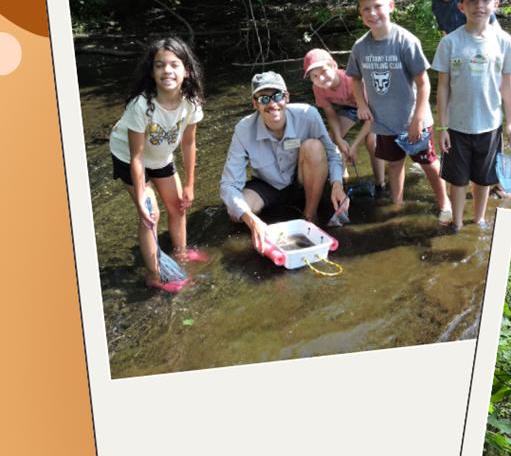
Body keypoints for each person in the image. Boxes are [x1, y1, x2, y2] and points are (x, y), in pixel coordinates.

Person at [345, 0, 452, 220]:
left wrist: (416, 120)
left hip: (415, 121)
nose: (372, 13)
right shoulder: (360, 47)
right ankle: (397, 206)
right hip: (383, 122)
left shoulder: (406, 41)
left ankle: (444, 203)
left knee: (429, 164)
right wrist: (361, 104)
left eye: (378, 6)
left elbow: (424, 83)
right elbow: (354, 78)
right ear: (360, 12)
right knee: (394, 164)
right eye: (366, 8)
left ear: (391, 6)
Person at [108, 37, 206, 290]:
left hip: (161, 156)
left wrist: (190, 185)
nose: (167, 71)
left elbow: (188, 143)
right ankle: (154, 275)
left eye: (174, 64)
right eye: (160, 65)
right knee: (151, 216)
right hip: (129, 157)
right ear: (152, 72)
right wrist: (142, 197)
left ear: (186, 70)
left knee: (179, 206)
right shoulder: (141, 106)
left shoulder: (191, 102)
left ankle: (181, 253)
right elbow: (137, 157)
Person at [219, 71, 347, 252]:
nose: (272, 104)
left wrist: (337, 185)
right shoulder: (243, 130)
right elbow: (228, 184)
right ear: (255, 103)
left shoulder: (308, 115)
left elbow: (332, 154)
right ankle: (263, 220)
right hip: (268, 185)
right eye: (264, 99)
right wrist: (252, 220)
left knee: (314, 147)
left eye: (277, 96)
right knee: (235, 214)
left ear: (287, 97)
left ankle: (310, 216)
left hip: (302, 182)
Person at [432, 0, 511, 231]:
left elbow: (508, 84)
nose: (479, 5)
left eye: (485, 0)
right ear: (461, 7)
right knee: (457, 180)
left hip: (491, 125)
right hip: (458, 126)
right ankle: (457, 223)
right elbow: (443, 87)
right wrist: (442, 127)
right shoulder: (450, 43)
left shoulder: (504, 41)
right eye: (471, 1)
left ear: (496, 5)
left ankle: (479, 219)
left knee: (483, 179)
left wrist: (510, 123)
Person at [302, 48, 385, 197]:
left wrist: (354, 145)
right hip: (351, 106)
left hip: (374, 107)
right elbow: (331, 115)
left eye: (323, 72)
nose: (320, 79)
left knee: (371, 141)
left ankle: (381, 184)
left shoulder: (351, 80)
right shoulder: (318, 88)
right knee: (331, 139)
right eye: (314, 76)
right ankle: (342, 179)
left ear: (334, 66)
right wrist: (339, 139)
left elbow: (372, 116)